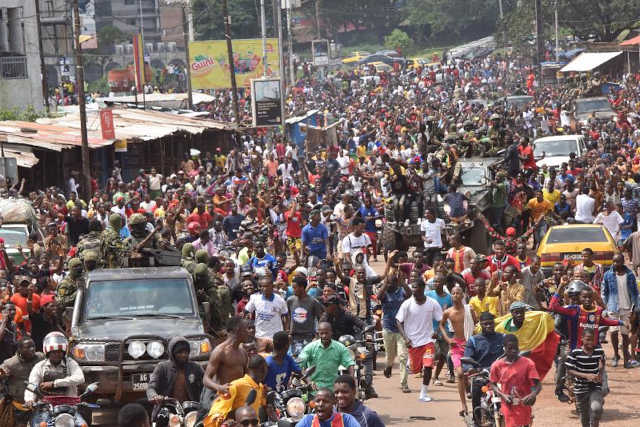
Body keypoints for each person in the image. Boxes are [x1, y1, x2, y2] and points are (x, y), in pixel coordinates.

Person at [396, 278, 443, 402]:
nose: (413, 289)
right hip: (413, 343)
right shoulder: (407, 304)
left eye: (415, 287)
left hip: (428, 341)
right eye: (412, 287)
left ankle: (424, 392)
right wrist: (405, 338)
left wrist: (437, 332)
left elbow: (441, 319)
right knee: (415, 369)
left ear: (422, 288)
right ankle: (411, 365)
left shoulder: (432, 303)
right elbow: (398, 321)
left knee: (428, 366)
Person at [376, 251, 411, 393]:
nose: (391, 284)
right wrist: (385, 283)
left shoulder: (401, 290)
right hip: (388, 328)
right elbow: (378, 296)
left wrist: (403, 284)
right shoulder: (385, 293)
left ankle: (404, 383)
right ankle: (389, 366)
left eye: (392, 282)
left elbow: (410, 295)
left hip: (402, 329)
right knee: (390, 355)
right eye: (389, 282)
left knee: (403, 356)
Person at [462, 311, 505, 426]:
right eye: (485, 324)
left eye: (491, 323)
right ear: (480, 324)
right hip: (481, 375)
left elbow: (511, 353)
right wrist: (470, 368)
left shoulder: (503, 338)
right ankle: (477, 420)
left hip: (501, 375)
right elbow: (467, 358)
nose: (488, 326)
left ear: (494, 323)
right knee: (476, 389)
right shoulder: (473, 340)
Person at [489, 334, 542, 427]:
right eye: (510, 348)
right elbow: (492, 384)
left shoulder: (528, 363)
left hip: (524, 404)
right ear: (504, 348)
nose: (514, 351)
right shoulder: (497, 365)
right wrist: (503, 395)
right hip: (508, 405)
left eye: (516, 348)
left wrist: (533, 395)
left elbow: (538, 385)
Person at [439, 285, 476, 417]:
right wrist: (448, 339)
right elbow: (441, 325)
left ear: (463, 295)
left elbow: (476, 324)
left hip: (469, 344)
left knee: (469, 374)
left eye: (458, 293)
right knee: (460, 373)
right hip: (456, 345)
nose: (455, 295)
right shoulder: (448, 312)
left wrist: (472, 340)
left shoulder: (469, 309)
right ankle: (464, 405)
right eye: (453, 293)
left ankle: (468, 388)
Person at [204, 355, 268, 427]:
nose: (264, 372)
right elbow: (216, 414)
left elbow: (263, 404)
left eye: (265, 369)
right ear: (249, 369)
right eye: (260, 369)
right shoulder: (235, 386)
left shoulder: (260, 387)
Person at [147, 337, 204, 417]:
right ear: (172, 353)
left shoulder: (196, 367)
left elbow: (206, 386)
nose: (183, 355)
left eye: (186, 352)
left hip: (191, 412)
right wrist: (155, 396)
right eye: (179, 352)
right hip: (167, 410)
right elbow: (151, 387)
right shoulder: (162, 367)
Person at [601, 253, 640, 368]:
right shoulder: (608, 275)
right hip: (612, 307)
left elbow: (635, 293)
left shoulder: (630, 275)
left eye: (617, 261)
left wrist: (635, 308)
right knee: (613, 332)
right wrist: (605, 307)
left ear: (623, 262)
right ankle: (616, 355)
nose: (615, 264)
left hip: (627, 308)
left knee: (625, 334)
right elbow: (604, 292)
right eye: (614, 261)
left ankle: (626, 359)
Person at [203, 317, 249, 411]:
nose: (248, 332)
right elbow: (206, 379)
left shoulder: (243, 352)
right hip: (224, 400)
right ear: (237, 330)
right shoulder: (220, 352)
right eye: (246, 329)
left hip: (239, 400)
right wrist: (220, 388)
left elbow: (247, 377)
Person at [24, 332, 85, 404]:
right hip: (46, 406)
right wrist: (29, 400)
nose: (57, 355)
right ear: (48, 353)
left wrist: (54, 383)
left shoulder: (70, 363)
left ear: (63, 353)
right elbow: (32, 385)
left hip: (70, 405)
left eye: (59, 352)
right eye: (53, 352)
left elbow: (80, 378)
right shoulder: (40, 366)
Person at [565, 329, 606, 427]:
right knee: (584, 418)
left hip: (595, 387)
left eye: (592, 340)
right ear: (582, 339)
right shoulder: (575, 352)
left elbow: (602, 364)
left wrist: (600, 371)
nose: (590, 342)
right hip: (580, 389)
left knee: (596, 409)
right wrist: (586, 375)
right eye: (588, 339)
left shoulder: (599, 351)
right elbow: (569, 369)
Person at [297, 321, 355, 390]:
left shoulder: (340, 347)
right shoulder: (310, 348)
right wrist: (308, 381)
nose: (324, 336)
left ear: (331, 332)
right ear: (318, 334)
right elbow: (298, 366)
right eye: (321, 333)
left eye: (326, 333)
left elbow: (350, 364)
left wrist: (351, 381)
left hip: (333, 389)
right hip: (314, 390)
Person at [287, 276, 324, 355]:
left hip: (308, 337)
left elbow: (320, 319)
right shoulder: (290, 300)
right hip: (294, 338)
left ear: (302, 287)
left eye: (295, 288)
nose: (293, 290)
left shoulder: (313, 302)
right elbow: (288, 317)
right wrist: (288, 333)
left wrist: (317, 335)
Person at [245, 275, 288, 340]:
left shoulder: (280, 300)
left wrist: (286, 330)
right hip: (260, 335)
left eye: (266, 286)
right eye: (262, 286)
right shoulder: (255, 299)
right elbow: (246, 311)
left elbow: (286, 316)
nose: (264, 288)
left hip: (275, 336)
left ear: (272, 287)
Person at [295, 388, 361, 427]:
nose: (320, 404)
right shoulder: (307, 420)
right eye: (317, 401)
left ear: (333, 403)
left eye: (325, 401)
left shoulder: (346, 419)